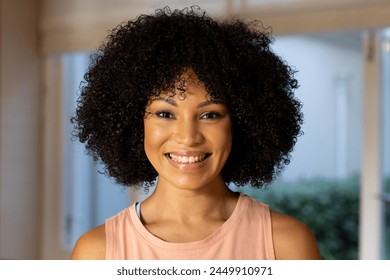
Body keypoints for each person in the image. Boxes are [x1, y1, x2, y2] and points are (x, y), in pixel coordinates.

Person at [70, 6, 321, 260]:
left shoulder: (287, 245)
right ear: (134, 124)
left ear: (241, 124)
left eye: (210, 115)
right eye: (165, 114)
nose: (188, 137)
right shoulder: (97, 253)